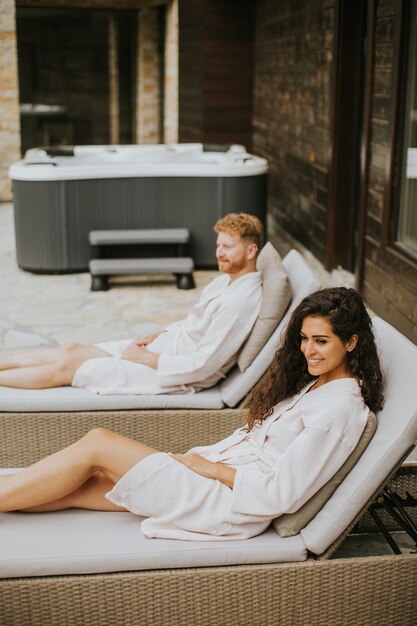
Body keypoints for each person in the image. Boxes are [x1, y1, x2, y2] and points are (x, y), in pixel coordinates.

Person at [0, 287, 384, 541]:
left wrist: (210, 468)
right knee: (84, 487)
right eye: (303, 338)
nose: (308, 350)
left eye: (321, 341)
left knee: (98, 443)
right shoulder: (315, 386)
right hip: (213, 478)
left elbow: (282, 494)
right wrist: (204, 462)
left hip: (227, 504)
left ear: (351, 342)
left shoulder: (340, 409)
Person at [0, 213, 264, 394]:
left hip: (173, 375)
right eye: (218, 245)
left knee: (67, 367)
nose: (218, 253)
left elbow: (203, 365)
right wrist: (159, 335)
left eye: (227, 247)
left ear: (251, 251)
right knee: (71, 348)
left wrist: (147, 359)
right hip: (166, 348)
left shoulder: (240, 302)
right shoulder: (227, 281)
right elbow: (192, 324)